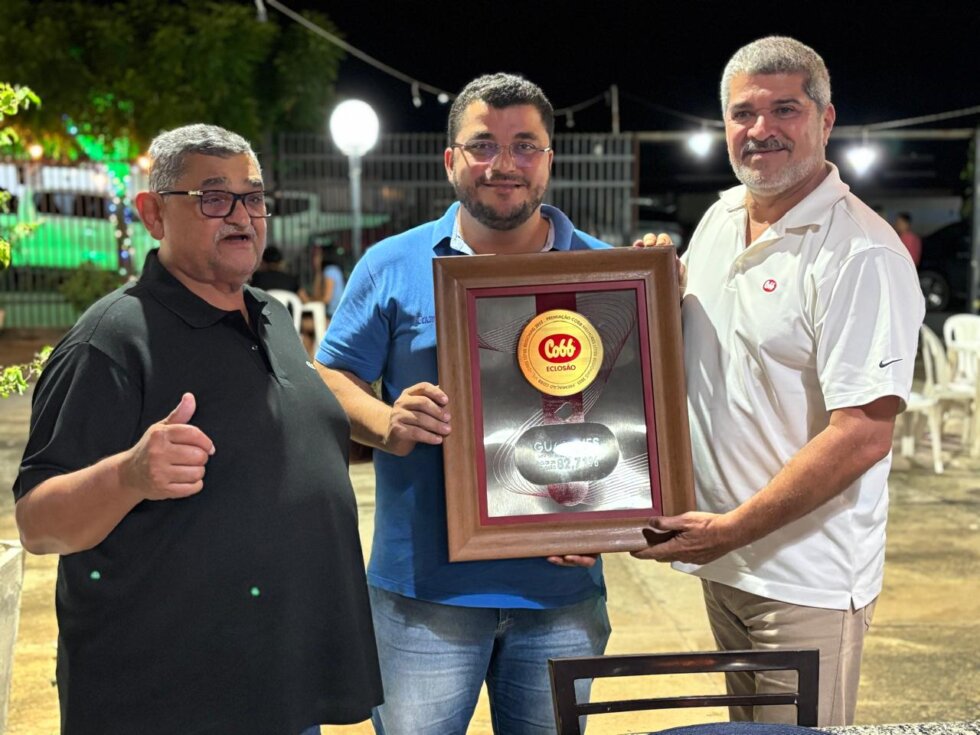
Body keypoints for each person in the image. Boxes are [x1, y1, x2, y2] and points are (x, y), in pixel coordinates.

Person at [13, 124, 382, 734]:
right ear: (153, 214)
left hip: (280, 684)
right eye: (213, 198)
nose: (241, 216)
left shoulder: (271, 316)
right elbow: (37, 522)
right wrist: (130, 475)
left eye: (253, 197)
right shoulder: (112, 341)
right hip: (169, 699)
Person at [634, 36, 924, 726]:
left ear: (826, 120)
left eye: (784, 109)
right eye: (743, 113)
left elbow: (862, 435)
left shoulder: (860, 253)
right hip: (725, 562)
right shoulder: (719, 219)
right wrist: (653, 291)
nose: (761, 129)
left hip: (804, 579)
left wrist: (731, 529)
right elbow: (701, 362)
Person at [315, 73, 612, 735]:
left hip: (561, 595)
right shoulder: (391, 264)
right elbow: (330, 376)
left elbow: (638, 418)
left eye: (524, 145)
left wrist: (614, 513)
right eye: (483, 145)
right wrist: (385, 421)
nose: (504, 164)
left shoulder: (608, 270)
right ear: (450, 159)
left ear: (548, 160)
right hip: (424, 595)